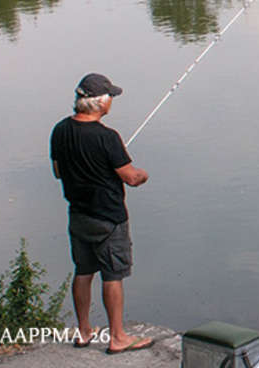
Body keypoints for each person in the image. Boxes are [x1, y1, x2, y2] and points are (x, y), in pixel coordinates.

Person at [50, 73, 155, 354]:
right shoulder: (107, 137)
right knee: (112, 275)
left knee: (83, 271)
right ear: (100, 102)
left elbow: (59, 171)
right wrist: (143, 174)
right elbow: (130, 178)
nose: (112, 101)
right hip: (109, 219)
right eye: (110, 97)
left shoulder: (60, 130)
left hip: (78, 215)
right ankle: (118, 337)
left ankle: (84, 331)